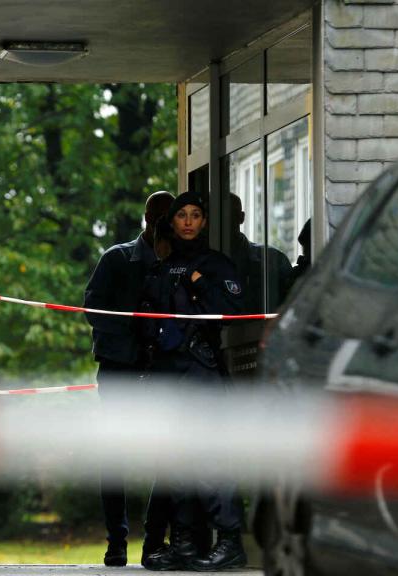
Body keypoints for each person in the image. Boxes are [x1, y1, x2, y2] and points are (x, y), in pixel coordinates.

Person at [139, 192, 247, 572]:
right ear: (171, 222)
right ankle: (183, 543)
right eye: (181, 215)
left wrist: (200, 281)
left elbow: (233, 309)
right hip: (168, 372)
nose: (188, 221)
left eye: (195, 215)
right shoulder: (162, 265)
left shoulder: (216, 264)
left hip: (201, 370)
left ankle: (230, 541)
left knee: (209, 460)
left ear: (204, 222)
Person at [84, 190, 175, 567]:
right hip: (121, 371)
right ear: (146, 219)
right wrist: (133, 334)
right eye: (159, 218)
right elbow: (92, 308)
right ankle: (117, 541)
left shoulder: (180, 263)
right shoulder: (117, 258)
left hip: (163, 372)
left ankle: (154, 540)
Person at [226, 194, 295, 314]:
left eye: (228, 215)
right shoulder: (272, 259)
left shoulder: (273, 260)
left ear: (241, 217)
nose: (221, 221)